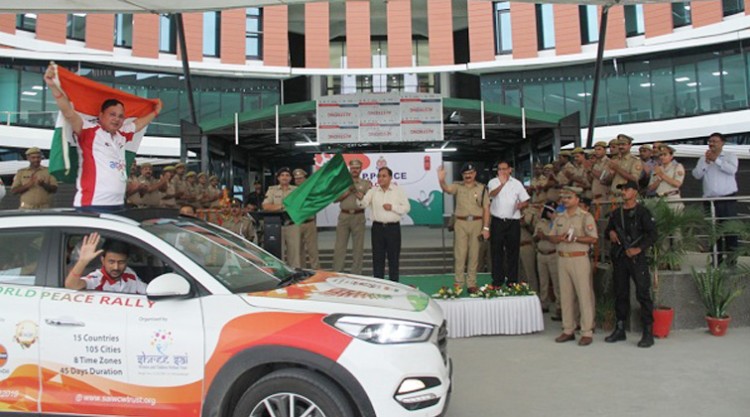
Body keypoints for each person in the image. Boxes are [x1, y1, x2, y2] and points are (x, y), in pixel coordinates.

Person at [44, 63, 162, 213]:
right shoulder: (89, 130)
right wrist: (54, 87)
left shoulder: (121, 135)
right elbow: (68, 112)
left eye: (120, 116)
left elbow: (138, 124)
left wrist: (155, 112)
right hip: (93, 204)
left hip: (118, 203)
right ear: (101, 115)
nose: (117, 119)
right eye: (112, 114)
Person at [605, 180, 657, 348]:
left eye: (626, 189)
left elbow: (652, 234)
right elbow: (607, 231)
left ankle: (648, 332)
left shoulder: (643, 212)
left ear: (634, 192)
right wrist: (611, 233)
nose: (623, 192)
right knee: (620, 293)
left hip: (637, 258)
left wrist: (638, 249)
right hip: (620, 258)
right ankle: (620, 328)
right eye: (622, 189)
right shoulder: (616, 213)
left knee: (643, 294)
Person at [551, 186, 598, 346]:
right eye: (564, 197)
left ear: (577, 199)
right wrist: (560, 238)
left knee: (583, 295)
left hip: (579, 258)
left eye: (569, 197)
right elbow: (552, 237)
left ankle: (586, 331)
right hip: (563, 258)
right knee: (565, 296)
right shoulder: (559, 217)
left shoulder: (585, 217)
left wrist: (576, 238)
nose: (565, 200)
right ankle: (568, 329)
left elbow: (593, 238)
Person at [438, 163, 490, 291]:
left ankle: (471, 283)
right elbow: (447, 189)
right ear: (462, 175)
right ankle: (459, 283)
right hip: (460, 223)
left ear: (475, 174)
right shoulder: (458, 186)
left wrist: (486, 228)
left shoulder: (482, 188)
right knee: (460, 254)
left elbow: (486, 209)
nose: (468, 176)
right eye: (466, 174)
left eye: (471, 173)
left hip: (477, 223)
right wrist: (441, 180)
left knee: (474, 254)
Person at [692, 132, 739, 265]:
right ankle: (716, 259)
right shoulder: (703, 158)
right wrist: (706, 163)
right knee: (713, 231)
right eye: (710, 141)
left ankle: (731, 260)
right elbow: (696, 175)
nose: (711, 144)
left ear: (722, 143)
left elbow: (732, 170)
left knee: (729, 229)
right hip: (710, 200)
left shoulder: (730, 156)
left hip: (727, 199)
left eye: (714, 141)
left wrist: (716, 160)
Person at [356, 167, 410, 282]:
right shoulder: (373, 191)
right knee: (377, 259)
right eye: (379, 176)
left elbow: (406, 208)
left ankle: (394, 285)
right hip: (377, 229)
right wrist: (360, 199)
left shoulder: (398, 191)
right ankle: (378, 286)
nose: (380, 178)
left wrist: (393, 207)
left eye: (384, 176)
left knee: (393, 259)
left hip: (393, 229)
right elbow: (363, 204)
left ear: (390, 177)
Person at [487, 161, 530, 285]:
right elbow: (491, 195)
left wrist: (521, 204)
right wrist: (501, 184)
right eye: (500, 169)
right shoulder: (493, 182)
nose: (502, 171)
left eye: (504, 169)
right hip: (497, 221)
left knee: (513, 251)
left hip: (513, 222)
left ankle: (512, 280)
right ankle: (497, 280)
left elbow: (526, 200)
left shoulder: (517, 184)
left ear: (510, 170)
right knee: (496, 251)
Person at [65, 232, 147, 294]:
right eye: (111, 262)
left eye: (121, 262)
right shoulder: (97, 278)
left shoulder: (129, 274)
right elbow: (71, 285)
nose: (116, 267)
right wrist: (82, 261)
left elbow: (147, 291)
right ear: (103, 260)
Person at [333, 159, 372, 274]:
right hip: (344, 216)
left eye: (357, 168)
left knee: (358, 248)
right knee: (340, 246)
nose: (355, 170)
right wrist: (347, 192)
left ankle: (356, 273)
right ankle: (338, 272)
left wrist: (361, 196)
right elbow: (335, 199)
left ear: (361, 169)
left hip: (358, 216)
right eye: (353, 168)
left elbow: (368, 201)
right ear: (350, 169)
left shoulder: (365, 183)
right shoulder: (342, 183)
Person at [263, 167, 301, 268]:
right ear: (278, 178)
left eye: (287, 175)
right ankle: (279, 273)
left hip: (292, 225)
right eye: (282, 175)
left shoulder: (296, 190)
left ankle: (295, 273)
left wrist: (276, 207)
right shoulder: (272, 190)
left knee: (294, 254)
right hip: (276, 226)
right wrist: (282, 206)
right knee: (277, 252)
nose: (285, 177)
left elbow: (298, 206)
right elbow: (266, 206)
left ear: (291, 178)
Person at [534, 202, 560, 318]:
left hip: (553, 254)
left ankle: (559, 306)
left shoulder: (557, 223)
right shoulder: (540, 223)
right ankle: (544, 303)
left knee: (556, 281)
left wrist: (545, 236)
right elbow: (534, 237)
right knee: (543, 281)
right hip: (541, 253)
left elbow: (557, 238)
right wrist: (538, 236)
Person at [293, 168, 320, 269]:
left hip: (309, 222)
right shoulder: (292, 191)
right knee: (298, 250)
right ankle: (301, 270)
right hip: (297, 223)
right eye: (296, 179)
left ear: (305, 178)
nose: (299, 180)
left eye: (301, 178)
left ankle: (317, 270)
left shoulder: (312, 190)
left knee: (312, 249)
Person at [648, 145, 685, 209]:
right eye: (660, 155)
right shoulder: (657, 168)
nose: (662, 157)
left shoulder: (677, 166)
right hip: (659, 199)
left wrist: (661, 175)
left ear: (671, 156)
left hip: (672, 198)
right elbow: (650, 188)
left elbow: (677, 184)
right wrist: (658, 180)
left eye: (665, 155)